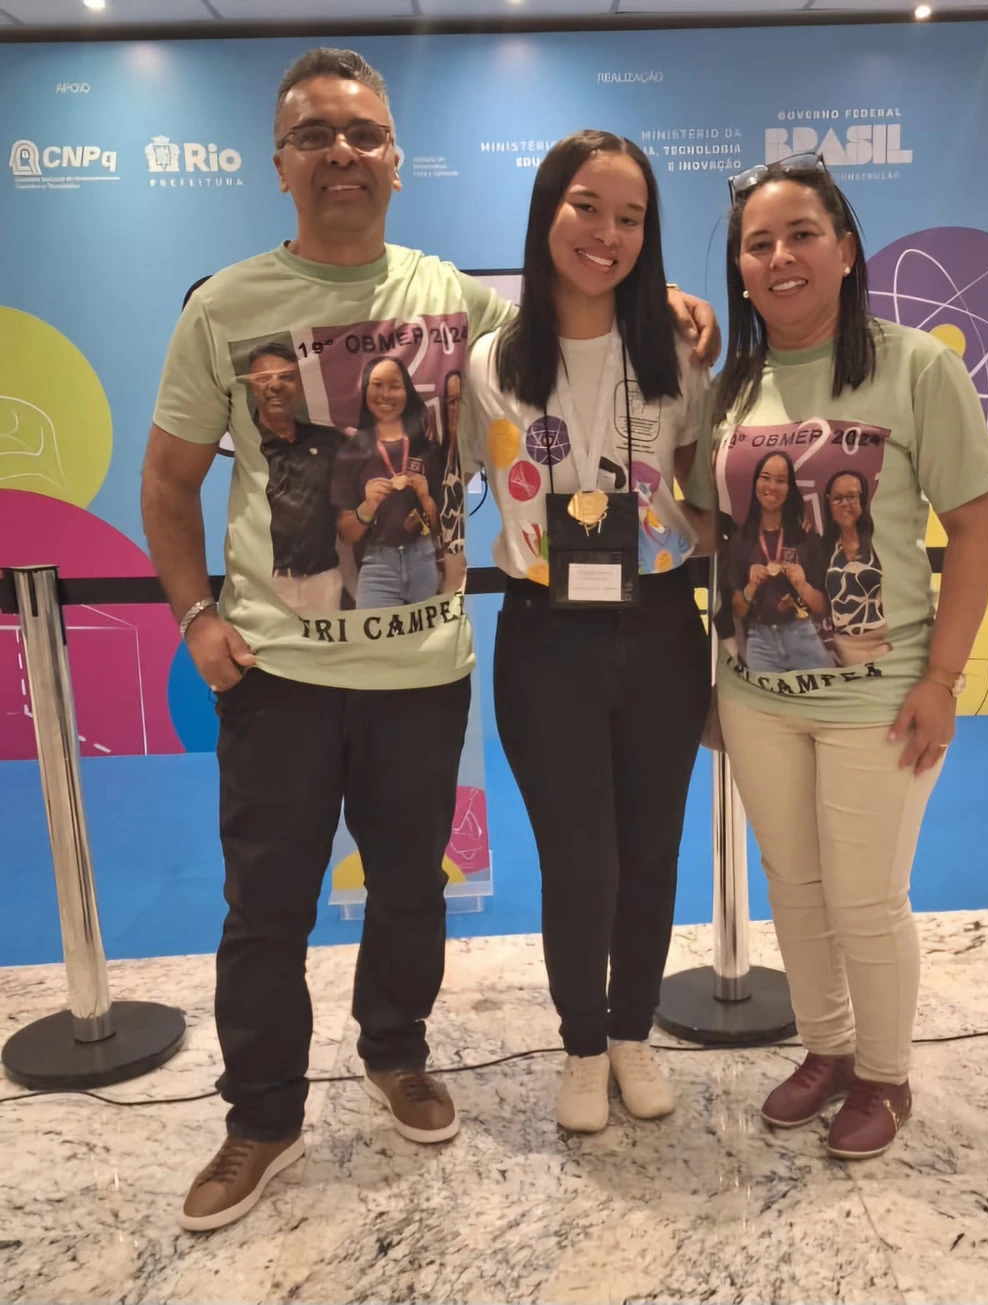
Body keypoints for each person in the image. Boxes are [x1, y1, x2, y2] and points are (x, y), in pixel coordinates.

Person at [140, 48, 717, 1233]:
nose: (341, 152)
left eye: (362, 134)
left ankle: (395, 1053)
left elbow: (579, 333)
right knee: (266, 909)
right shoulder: (225, 306)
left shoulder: (458, 304)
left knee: (411, 889)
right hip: (281, 672)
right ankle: (260, 1119)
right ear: (282, 162)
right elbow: (167, 475)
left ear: (397, 165)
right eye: (316, 135)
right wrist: (197, 614)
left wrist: (668, 298)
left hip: (423, 667)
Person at [685, 157, 988, 1159]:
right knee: (797, 883)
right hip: (757, 689)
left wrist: (944, 679)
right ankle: (825, 1049)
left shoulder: (915, 368)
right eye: (758, 243)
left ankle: (884, 1074)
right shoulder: (732, 386)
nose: (780, 257)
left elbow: (977, 523)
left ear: (846, 246)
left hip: (881, 692)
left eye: (801, 235)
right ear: (739, 269)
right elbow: (707, 526)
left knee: (868, 896)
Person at [460, 131, 711, 1132]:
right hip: (545, 636)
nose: (606, 233)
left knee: (652, 849)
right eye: (585, 207)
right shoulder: (491, 363)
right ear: (545, 214)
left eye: (630, 216)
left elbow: (693, 481)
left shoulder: (680, 353)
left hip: (659, 632)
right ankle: (578, 1044)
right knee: (579, 858)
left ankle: (632, 1034)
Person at [331, 354, 444, 608]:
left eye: (394, 386)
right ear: (364, 390)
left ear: (407, 391)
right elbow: (347, 534)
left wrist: (425, 497)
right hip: (377, 564)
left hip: (424, 558)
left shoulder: (427, 447)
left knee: (427, 645)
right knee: (375, 648)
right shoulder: (351, 452)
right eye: (377, 385)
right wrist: (367, 506)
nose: (386, 394)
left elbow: (444, 528)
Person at [243, 342, 347, 611]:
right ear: (252, 387)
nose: (275, 385)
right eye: (264, 378)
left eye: (286, 377)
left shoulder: (330, 442)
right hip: (264, 585)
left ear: (299, 385)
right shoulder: (243, 443)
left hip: (324, 582)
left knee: (327, 654)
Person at [724, 449, 832, 673]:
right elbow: (738, 610)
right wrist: (751, 586)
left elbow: (823, 608)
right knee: (765, 708)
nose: (771, 486)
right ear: (755, 483)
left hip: (803, 637)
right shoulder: (741, 540)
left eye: (781, 480)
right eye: (765, 478)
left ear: (790, 488)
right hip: (761, 643)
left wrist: (802, 586)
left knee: (818, 705)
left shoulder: (807, 538)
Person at [821, 468, 892, 665]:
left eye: (851, 497)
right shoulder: (825, 548)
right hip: (845, 647)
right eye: (838, 498)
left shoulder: (880, 541)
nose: (845, 504)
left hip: (885, 643)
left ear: (863, 500)